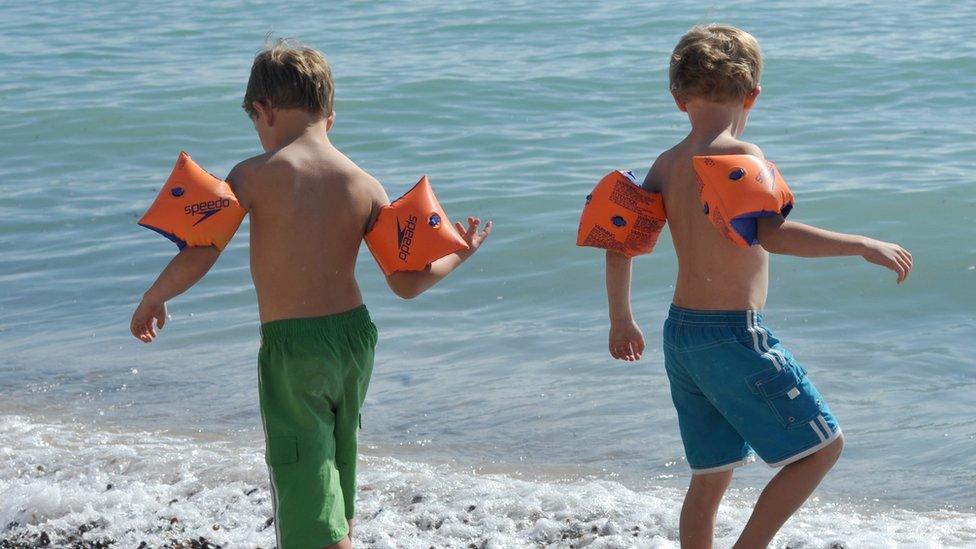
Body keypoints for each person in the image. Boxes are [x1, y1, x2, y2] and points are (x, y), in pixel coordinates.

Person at [129, 40, 491, 548]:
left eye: (255, 120)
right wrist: (460, 253)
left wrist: (154, 296)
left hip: (294, 347)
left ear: (264, 110)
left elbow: (201, 249)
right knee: (336, 467)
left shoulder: (253, 174)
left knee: (303, 477)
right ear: (330, 116)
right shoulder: (365, 184)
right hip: (354, 339)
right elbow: (405, 283)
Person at [603, 25, 912, 548]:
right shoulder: (740, 152)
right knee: (822, 449)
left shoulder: (666, 164)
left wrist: (621, 318)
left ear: (678, 98)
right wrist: (860, 243)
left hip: (682, 336)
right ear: (754, 95)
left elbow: (619, 243)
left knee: (711, 473)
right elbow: (771, 232)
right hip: (733, 335)